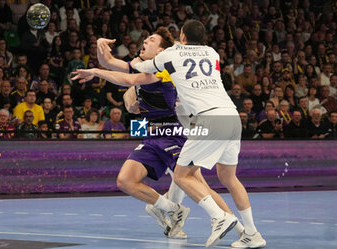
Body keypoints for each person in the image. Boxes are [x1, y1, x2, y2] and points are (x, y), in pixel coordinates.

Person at [75, 20, 265, 248]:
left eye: (151, 40)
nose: (144, 41)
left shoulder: (165, 66)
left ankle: (231, 224)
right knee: (134, 180)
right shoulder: (203, 54)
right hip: (155, 130)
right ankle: (178, 213)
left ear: (165, 48)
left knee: (189, 180)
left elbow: (131, 77)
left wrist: (100, 72)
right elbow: (113, 64)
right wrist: (99, 44)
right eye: (144, 39)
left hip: (179, 130)